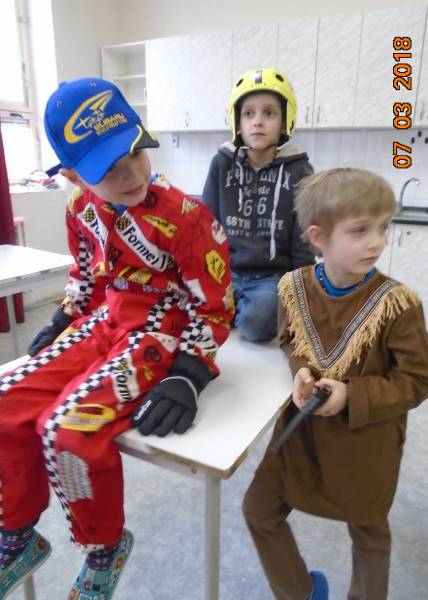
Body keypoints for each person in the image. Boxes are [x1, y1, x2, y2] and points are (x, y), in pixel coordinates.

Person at [0, 77, 234, 600]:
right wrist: (64, 318)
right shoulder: (79, 210)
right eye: (108, 168)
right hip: (104, 323)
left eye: (136, 153)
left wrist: (190, 373)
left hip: (160, 334)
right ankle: (17, 534)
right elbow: (86, 277)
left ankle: (104, 547)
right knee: (5, 402)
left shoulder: (187, 217)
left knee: (68, 427)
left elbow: (215, 305)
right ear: (72, 175)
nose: (132, 174)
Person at [242, 168, 428, 600]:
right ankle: (300, 592)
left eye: (383, 227)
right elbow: (290, 340)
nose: (376, 242)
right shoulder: (293, 287)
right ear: (319, 237)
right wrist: (300, 370)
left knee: (370, 533)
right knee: (258, 509)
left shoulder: (398, 304)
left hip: (364, 445)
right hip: (300, 436)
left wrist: (353, 394)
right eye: (360, 230)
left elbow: (420, 379)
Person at [202, 68, 315, 343]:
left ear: (285, 121)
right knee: (192, 312)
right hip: (225, 273)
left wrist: (303, 291)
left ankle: (240, 312)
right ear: (237, 122)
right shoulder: (221, 164)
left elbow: (303, 238)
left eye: (269, 113)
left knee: (256, 324)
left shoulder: (300, 171)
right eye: (249, 114)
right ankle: (233, 309)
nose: (258, 122)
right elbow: (206, 225)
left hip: (271, 278)